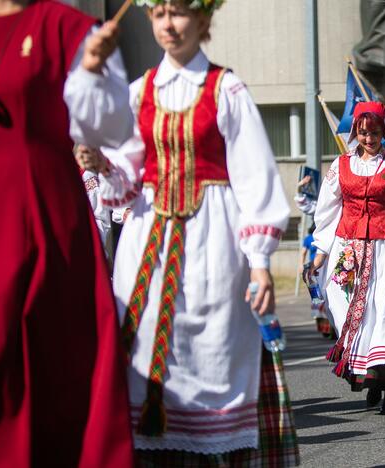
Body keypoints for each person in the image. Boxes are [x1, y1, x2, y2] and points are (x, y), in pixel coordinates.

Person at [86, 1, 298, 463]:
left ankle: (212, 446)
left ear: (202, 20)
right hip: (147, 242)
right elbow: (123, 182)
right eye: (159, 14)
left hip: (213, 242)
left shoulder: (227, 90)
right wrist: (103, 164)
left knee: (212, 341)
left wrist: (260, 262)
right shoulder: (139, 91)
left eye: (178, 13)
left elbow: (254, 178)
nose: (168, 25)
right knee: (144, 345)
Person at [0, 0, 134, 465]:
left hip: (37, 213)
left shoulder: (66, 27)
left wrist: (91, 72)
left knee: (48, 368)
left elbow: (112, 127)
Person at [308, 101, 385, 415]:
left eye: (375, 133)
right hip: (348, 248)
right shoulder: (340, 166)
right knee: (343, 302)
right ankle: (368, 376)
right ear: (355, 132)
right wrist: (321, 250)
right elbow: (326, 210)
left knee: (384, 315)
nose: (369, 139)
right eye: (363, 133)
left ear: (383, 132)